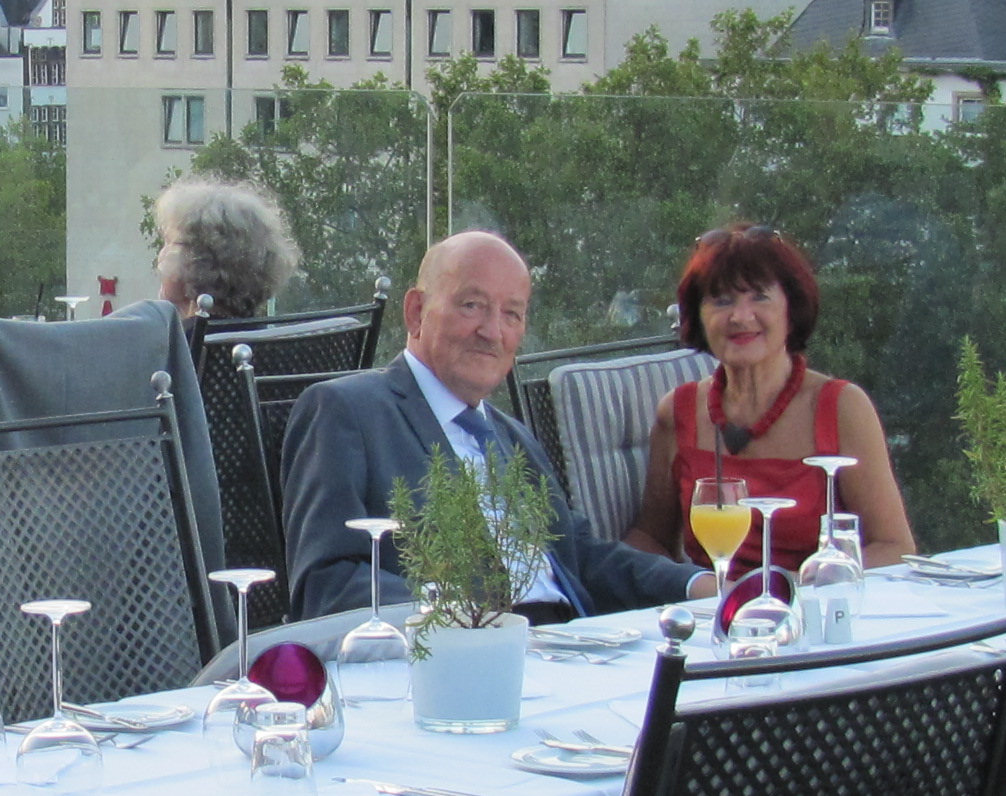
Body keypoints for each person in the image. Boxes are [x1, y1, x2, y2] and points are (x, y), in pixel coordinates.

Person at [274, 230, 710, 623]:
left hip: (572, 650)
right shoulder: (348, 411)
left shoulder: (511, 436)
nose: (492, 331)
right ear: (416, 312)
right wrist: (460, 616)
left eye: (512, 314)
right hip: (459, 661)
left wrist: (697, 588)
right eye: (472, 305)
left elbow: (582, 559)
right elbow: (323, 587)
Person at [624, 225, 918, 575]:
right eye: (722, 300)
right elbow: (651, 537)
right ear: (698, 316)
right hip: (714, 614)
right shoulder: (678, 411)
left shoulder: (841, 407)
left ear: (791, 309)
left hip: (818, 611)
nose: (740, 316)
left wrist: (797, 587)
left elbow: (893, 547)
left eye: (759, 297)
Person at [152, 174, 299, 319]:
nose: (162, 254)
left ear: (193, 263)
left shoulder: (173, 341)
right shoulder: (268, 337)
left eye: (168, 241)